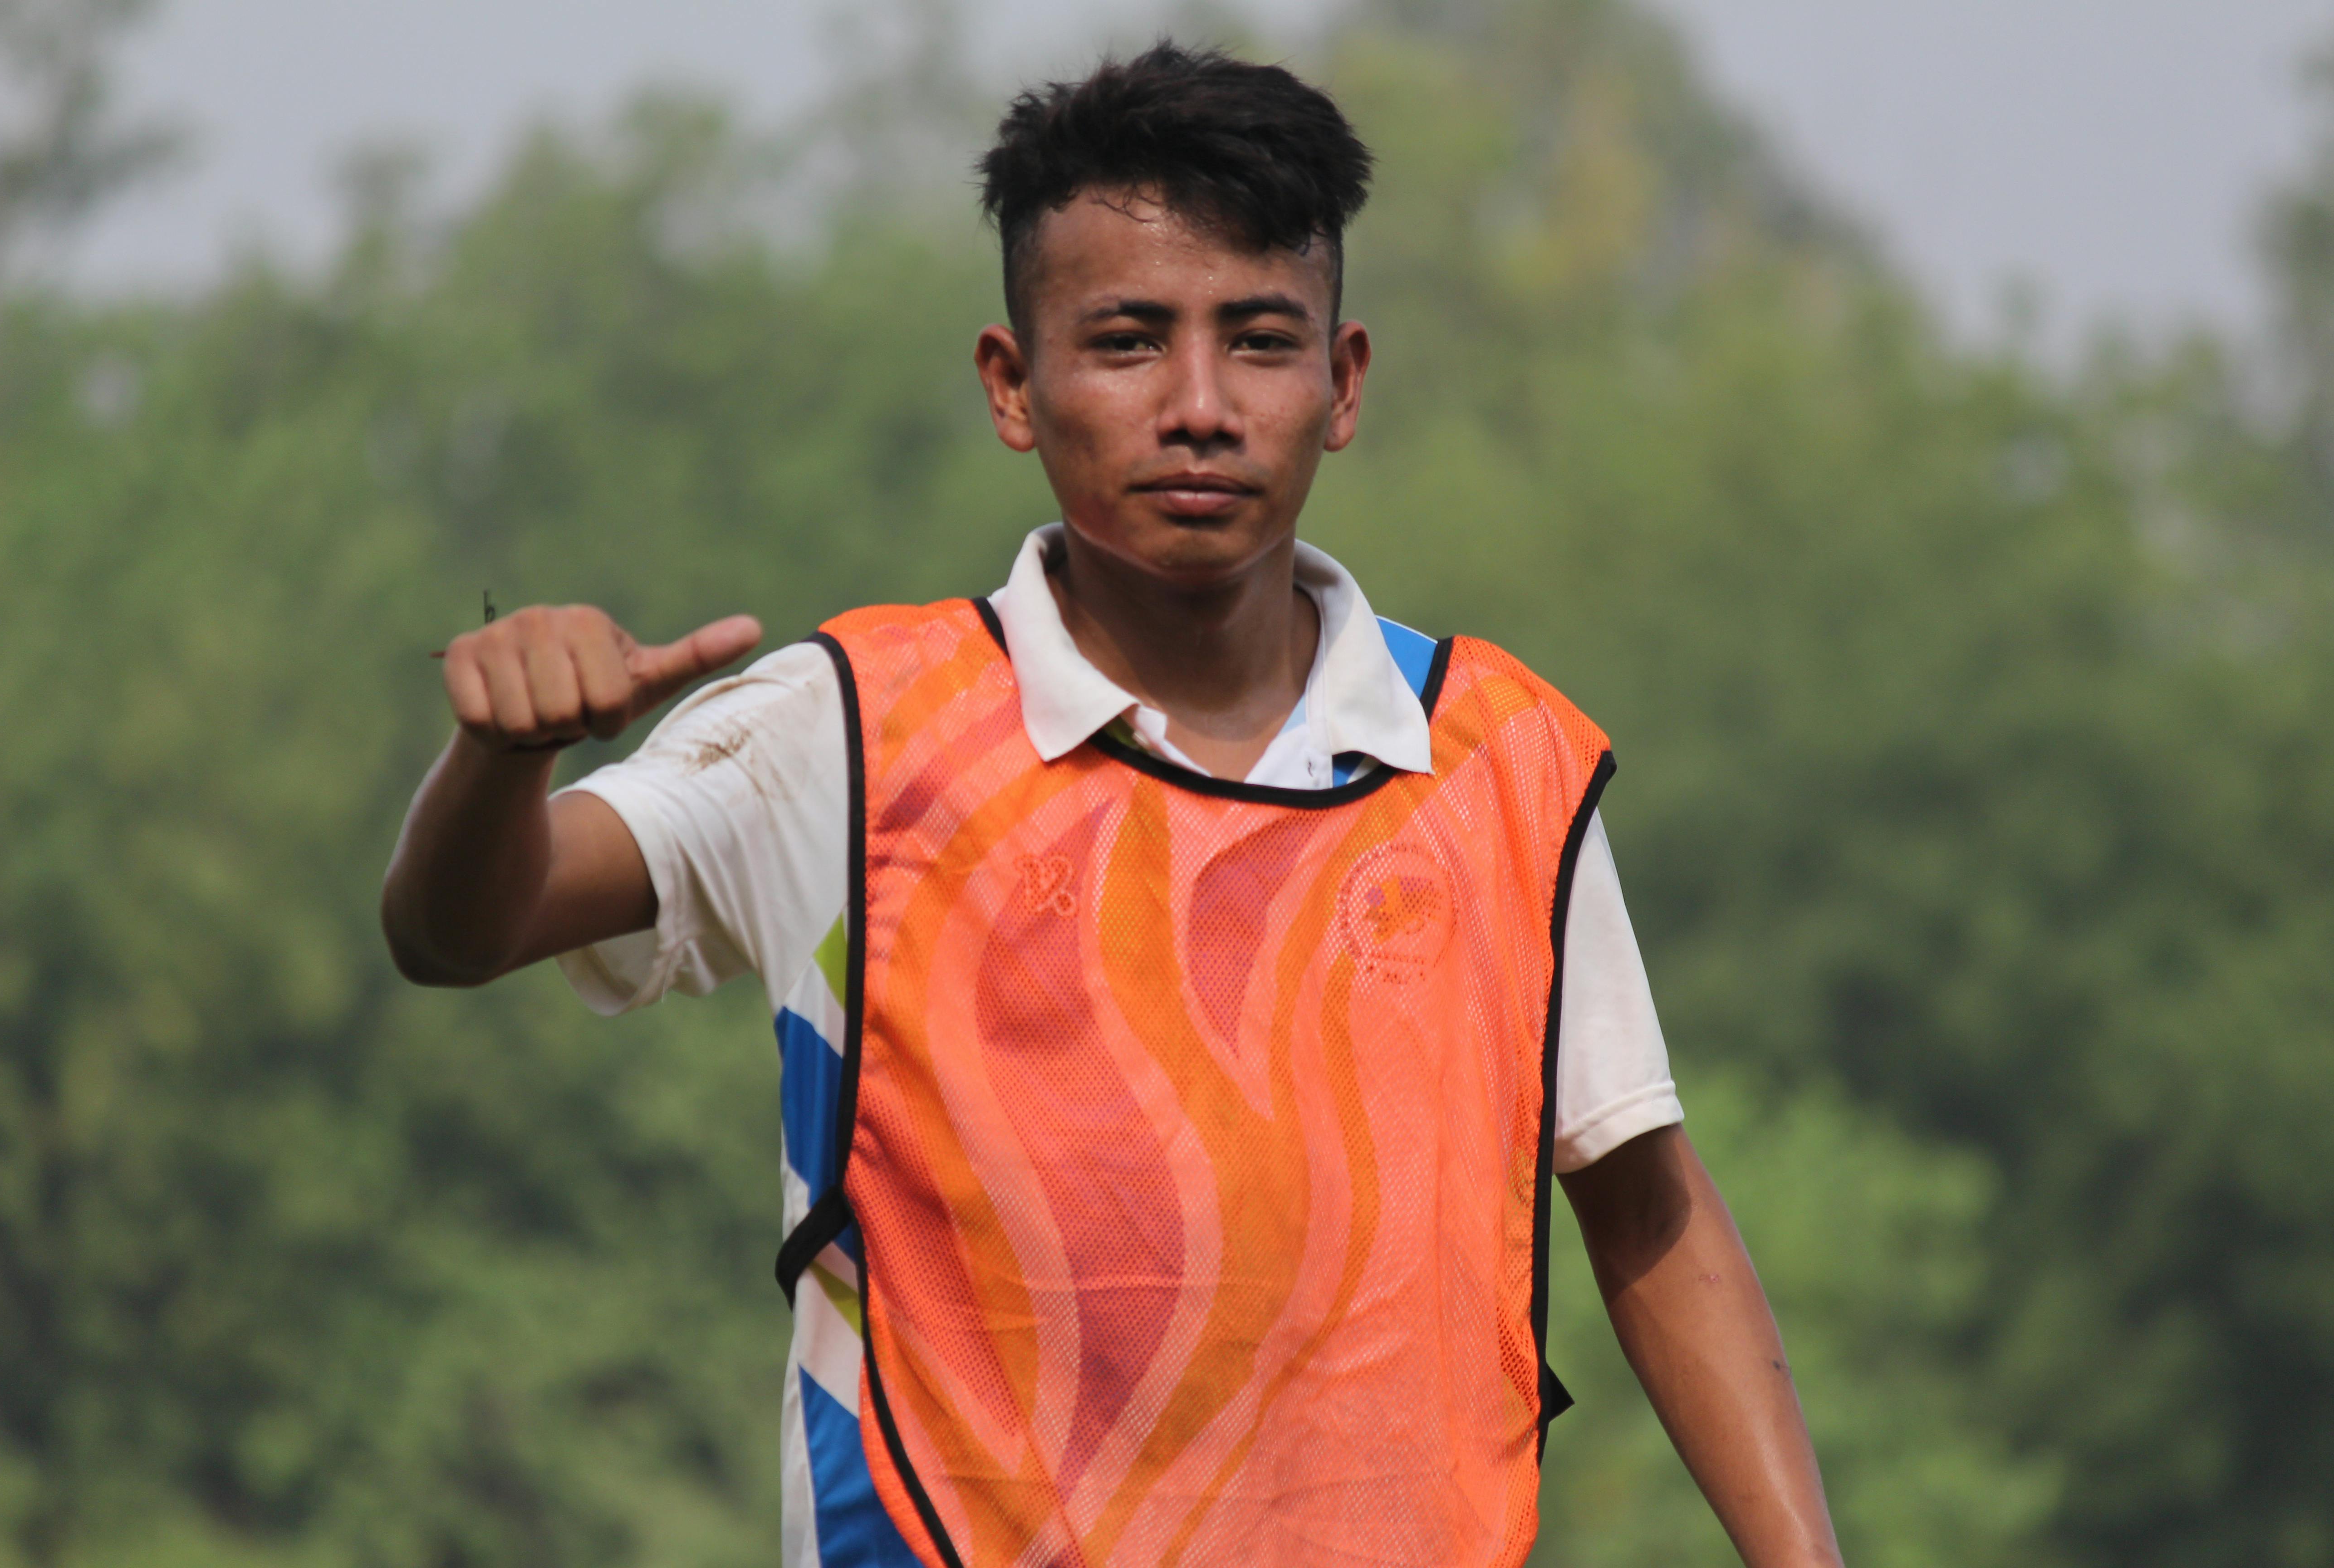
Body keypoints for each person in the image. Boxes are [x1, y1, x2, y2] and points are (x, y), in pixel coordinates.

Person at [381, 43, 1842, 1568]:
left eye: (1261, 342)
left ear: (1342, 386)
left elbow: (1646, 1206)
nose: (1200, 406)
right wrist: (501, 761)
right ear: (1014, 388)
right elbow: (459, 930)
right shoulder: (857, 729)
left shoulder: (1495, 760)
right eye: (1130, 341)